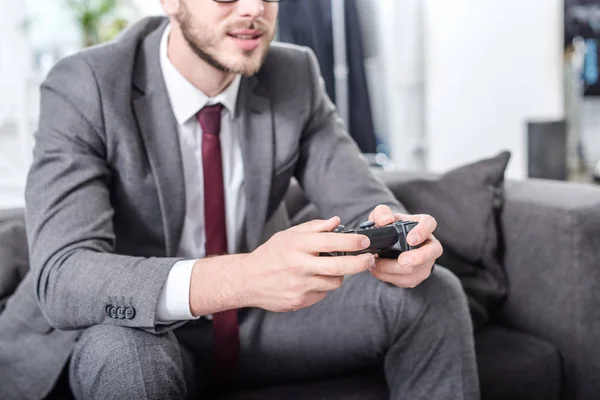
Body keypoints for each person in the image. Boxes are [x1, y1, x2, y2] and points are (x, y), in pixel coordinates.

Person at [0, 0, 480, 399]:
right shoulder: (86, 84)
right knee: (124, 353)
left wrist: (401, 243)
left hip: (256, 326)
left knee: (433, 292)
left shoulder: (294, 73)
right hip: (137, 329)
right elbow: (62, 275)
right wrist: (245, 278)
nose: (254, 9)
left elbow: (365, 205)